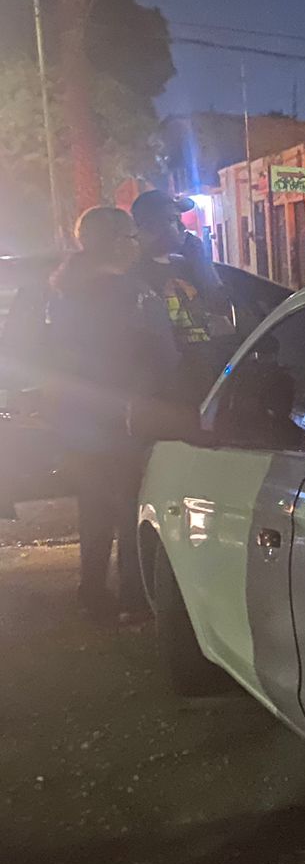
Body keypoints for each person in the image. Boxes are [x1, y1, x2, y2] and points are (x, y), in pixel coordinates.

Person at [48, 207, 180, 624]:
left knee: (94, 509)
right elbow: (163, 356)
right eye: (130, 237)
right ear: (114, 242)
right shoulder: (132, 294)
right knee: (130, 509)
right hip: (124, 417)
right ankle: (134, 599)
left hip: (78, 421)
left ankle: (92, 593)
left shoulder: (63, 290)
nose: (136, 244)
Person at [130, 189, 226, 402]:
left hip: (203, 379)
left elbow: (220, 304)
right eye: (173, 220)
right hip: (165, 390)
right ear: (151, 226)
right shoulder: (133, 273)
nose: (183, 227)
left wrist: (201, 261)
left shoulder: (187, 264)